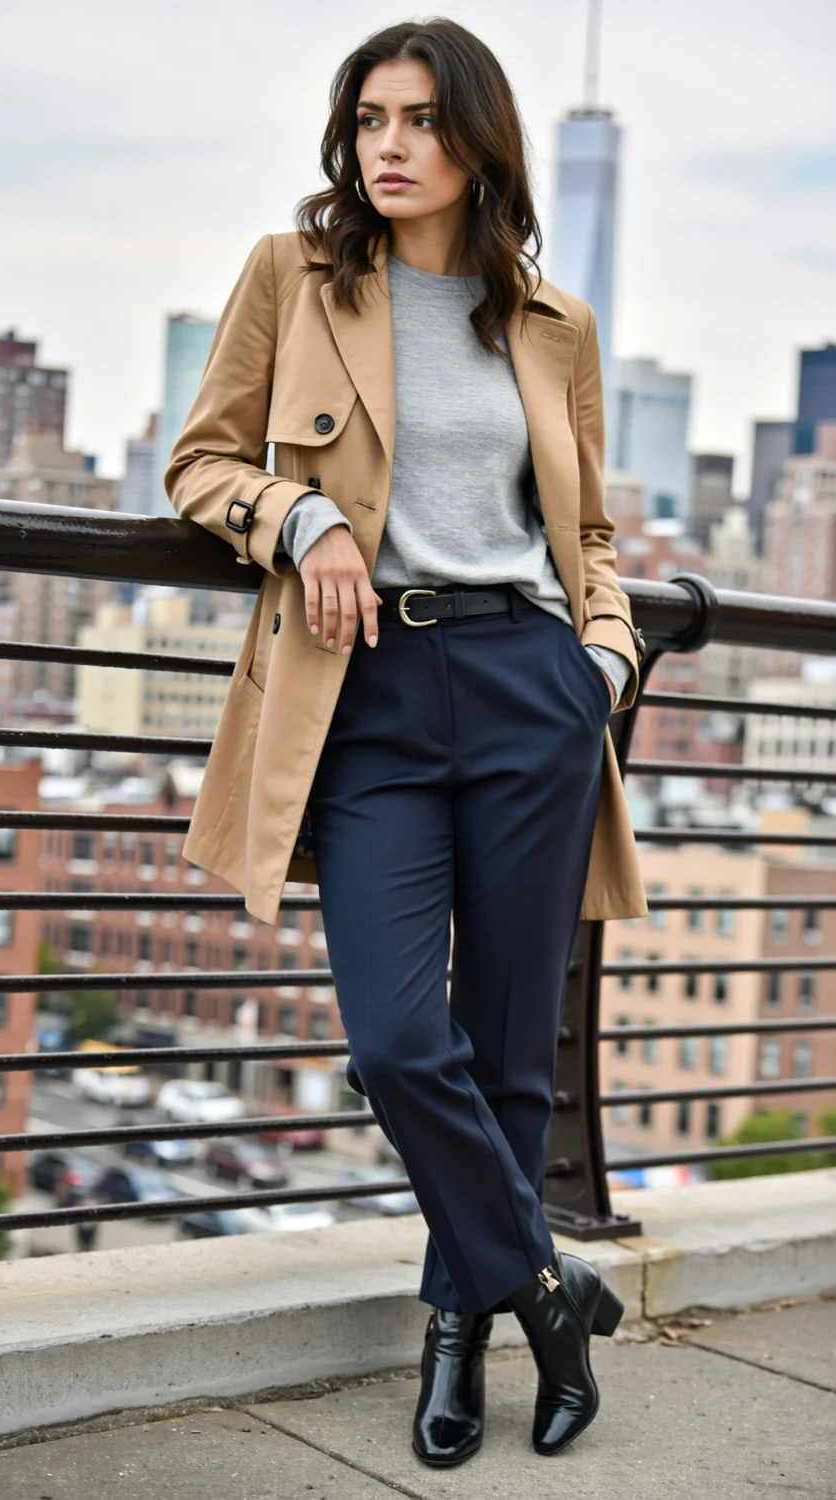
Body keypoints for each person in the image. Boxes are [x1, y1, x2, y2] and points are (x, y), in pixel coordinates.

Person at [165, 17, 648, 1468]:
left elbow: (594, 536)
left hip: (528, 687)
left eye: (423, 120)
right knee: (394, 1041)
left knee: (508, 1049)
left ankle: (460, 1340)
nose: (388, 145)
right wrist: (297, 514)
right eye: (370, 116)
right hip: (364, 691)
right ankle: (548, 1293)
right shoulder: (294, 276)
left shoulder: (553, 325)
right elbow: (200, 461)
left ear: (479, 141)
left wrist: (607, 657)